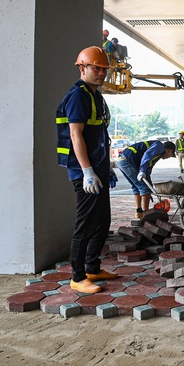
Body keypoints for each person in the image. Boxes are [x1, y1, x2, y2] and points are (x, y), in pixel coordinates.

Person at [55, 46, 119, 294]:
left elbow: (99, 136)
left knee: (102, 221)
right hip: (85, 172)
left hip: (98, 169)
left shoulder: (95, 96)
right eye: (96, 68)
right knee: (85, 224)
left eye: (104, 69)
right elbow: (75, 134)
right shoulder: (78, 96)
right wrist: (87, 172)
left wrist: (106, 167)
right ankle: (78, 277)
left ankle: (92, 267)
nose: (102, 73)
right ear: (82, 68)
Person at [116, 140, 176, 218]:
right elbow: (147, 155)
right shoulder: (159, 146)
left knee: (136, 186)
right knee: (143, 188)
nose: (169, 157)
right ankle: (146, 215)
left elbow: (148, 170)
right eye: (170, 155)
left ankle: (139, 212)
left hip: (123, 161)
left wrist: (149, 187)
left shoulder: (158, 154)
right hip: (127, 161)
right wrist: (142, 171)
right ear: (169, 150)